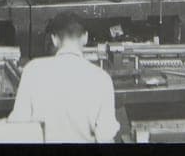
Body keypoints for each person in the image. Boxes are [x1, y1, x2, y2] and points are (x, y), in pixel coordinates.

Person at [7, 13, 119, 143]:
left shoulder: (33, 70)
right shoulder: (102, 79)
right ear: (85, 38)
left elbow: (18, 125)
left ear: (54, 39)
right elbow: (105, 135)